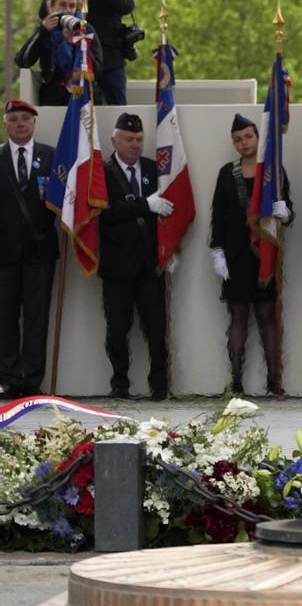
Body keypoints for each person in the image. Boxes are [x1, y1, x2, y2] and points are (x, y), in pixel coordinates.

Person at [210, 114, 293, 397]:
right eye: (238, 139)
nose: (243, 142)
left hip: (265, 253)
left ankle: (274, 381)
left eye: (248, 137)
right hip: (235, 255)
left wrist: (286, 212)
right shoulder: (226, 173)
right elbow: (218, 215)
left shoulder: (273, 171)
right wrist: (217, 251)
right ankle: (235, 382)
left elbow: (288, 208)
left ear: (258, 138)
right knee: (238, 315)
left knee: (268, 314)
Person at [99, 112, 174, 400]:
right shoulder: (102, 172)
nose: (135, 145)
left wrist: (170, 249)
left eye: (140, 139)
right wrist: (144, 204)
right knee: (117, 329)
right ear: (114, 140)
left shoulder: (153, 169)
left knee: (156, 330)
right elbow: (106, 212)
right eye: (129, 139)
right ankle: (120, 384)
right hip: (116, 267)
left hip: (149, 266)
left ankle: (159, 385)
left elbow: (168, 209)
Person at [0, 100, 58, 399]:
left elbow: (63, 200)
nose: (20, 124)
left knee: (37, 318)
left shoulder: (50, 157)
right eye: (14, 119)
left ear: (34, 123)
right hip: (4, 254)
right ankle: (9, 378)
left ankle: (33, 379)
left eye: (25, 118)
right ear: (5, 123)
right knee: (5, 318)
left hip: (40, 251)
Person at [39, 0, 135, 105]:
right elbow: (45, 12)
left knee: (116, 108)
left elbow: (126, 5)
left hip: (109, 59)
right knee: (76, 113)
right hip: (74, 63)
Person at [15, 0, 103, 107]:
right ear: (51, 7)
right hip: (54, 97)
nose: (67, 9)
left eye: (72, 6)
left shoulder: (86, 29)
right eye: (62, 5)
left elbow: (97, 69)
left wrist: (77, 41)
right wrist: (43, 31)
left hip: (84, 96)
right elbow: (23, 61)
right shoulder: (45, 30)